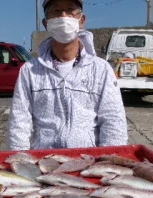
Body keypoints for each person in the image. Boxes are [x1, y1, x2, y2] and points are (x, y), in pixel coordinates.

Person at [7, 0, 128, 150]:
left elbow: (113, 120)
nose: (63, 16)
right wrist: (20, 160)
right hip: (44, 161)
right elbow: (20, 121)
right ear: (46, 23)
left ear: (81, 20)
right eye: (56, 11)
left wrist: (109, 161)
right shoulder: (29, 70)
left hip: (87, 160)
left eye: (70, 10)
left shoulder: (101, 69)